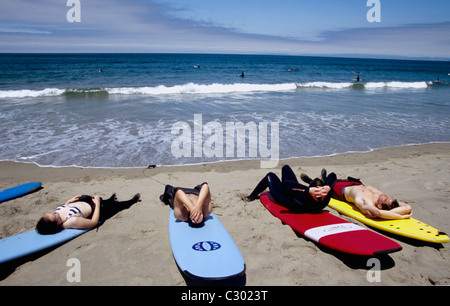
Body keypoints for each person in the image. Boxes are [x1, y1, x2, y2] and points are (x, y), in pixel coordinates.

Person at [243, 165, 336, 213]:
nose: (320, 192)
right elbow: (333, 175)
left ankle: (251, 197)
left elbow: (286, 184)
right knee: (286, 167)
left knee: (270, 175)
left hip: (284, 195)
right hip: (296, 190)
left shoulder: (304, 196)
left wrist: (308, 190)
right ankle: (311, 181)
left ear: (310, 190)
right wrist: (327, 187)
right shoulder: (325, 198)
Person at [36, 193, 140, 234]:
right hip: (96, 209)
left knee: (88, 197)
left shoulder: (57, 214)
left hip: (86, 202)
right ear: (57, 224)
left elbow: (66, 207)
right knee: (117, 205)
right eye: (54, 216)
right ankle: (131, 202)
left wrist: (69, 201)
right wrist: (97, 205)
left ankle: (108, 200)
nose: (54, 212)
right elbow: (94, 222)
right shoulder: (71, 221)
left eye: (50, 213)